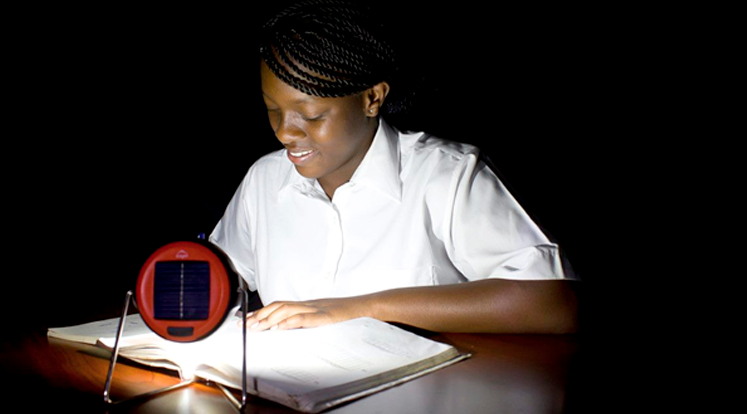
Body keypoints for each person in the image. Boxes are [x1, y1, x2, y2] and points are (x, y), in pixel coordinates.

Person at [210, 0, 578, 333]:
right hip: (293, 401)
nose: (284, 132)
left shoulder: (447, 176)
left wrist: (358, 309)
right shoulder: (264, 180)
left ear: (372, 98)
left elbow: (554, 304)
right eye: (272, 110)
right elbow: (218, 280)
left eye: (312, 115)